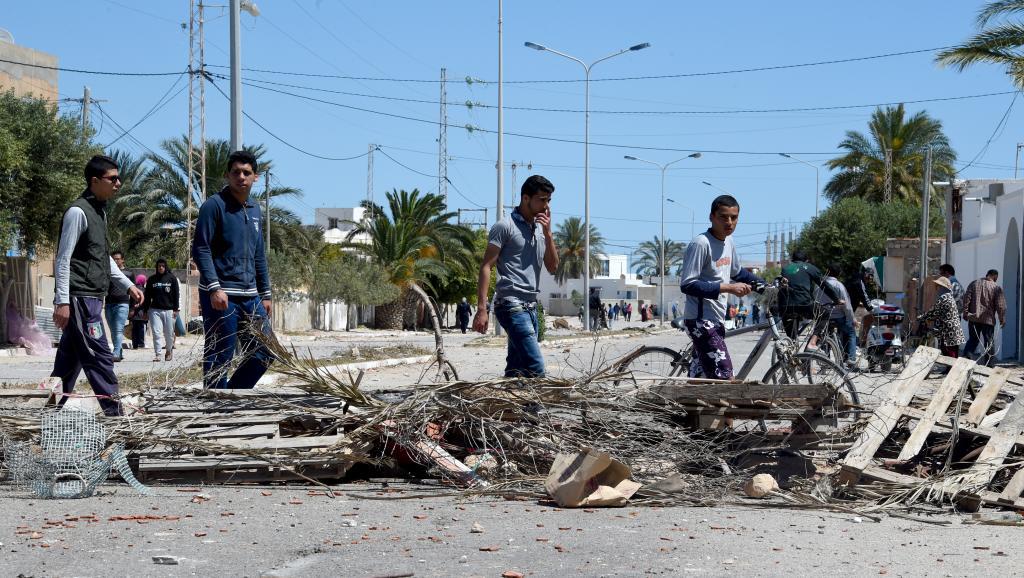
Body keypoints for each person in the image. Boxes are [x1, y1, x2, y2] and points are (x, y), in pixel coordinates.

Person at [50, 155, 144, 416]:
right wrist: (62, 301)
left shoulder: (99, 212)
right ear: (94, 181)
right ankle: (116, 418)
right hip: (80, 299)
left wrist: (126, 285)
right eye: (112, 179)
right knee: (101, 359)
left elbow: (103, 258)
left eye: (118, 178)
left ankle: (46, 415)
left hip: (92, 298)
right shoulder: (78, 212)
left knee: (67, 365)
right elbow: (63, 259)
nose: (118, 183)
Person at [192, 150, 275, 389]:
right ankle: (215, 408)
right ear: (227, 175)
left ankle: (230, 397)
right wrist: (214, 288)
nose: (241, 177)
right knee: (220, 355)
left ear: (255, 177)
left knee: (265, 351)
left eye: (246, 172)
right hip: (222, 295)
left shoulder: (255, 209)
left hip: (251, 296)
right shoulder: (213, 206)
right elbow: (201, 249)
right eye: (236, 172)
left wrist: (266, 293)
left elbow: (258, 253)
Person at [472, 175, 558, 378]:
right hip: (510, 305)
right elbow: (486, 266)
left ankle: (507, 408)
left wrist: (548, 234)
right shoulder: (505, 226)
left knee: (517, 369)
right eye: (542, 199)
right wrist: (482, 309)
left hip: (530, 306)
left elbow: (553, 267)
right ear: (526, 198)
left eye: (549, 200)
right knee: (536, 368)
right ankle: (537, 409)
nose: (546, 206)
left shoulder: (539, 230)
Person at [679, 195, 764, 379]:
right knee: (724, 375)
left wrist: (764, 285)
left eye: (734, 217)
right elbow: (687, 284)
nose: (729, 222)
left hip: (716, 319)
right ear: (712, 217)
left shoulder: (729, 242)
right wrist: (728, 288)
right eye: (723, 217)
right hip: (701, 320)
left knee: (702, 376)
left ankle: (688, 405)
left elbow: (738, 273)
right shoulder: (701, 243)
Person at [779, 250, 842, 344]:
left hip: (785, 307)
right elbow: (824, 285)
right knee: (824, 314)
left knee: (791, 339)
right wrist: (836, 299)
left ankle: (789, 352)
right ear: (807, 260)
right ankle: (812, 342)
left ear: (792, 260)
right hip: (804, 304)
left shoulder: (785, 268)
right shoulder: (810, 268)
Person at [961, 269, 1006, 366]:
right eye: (996, 278)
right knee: (988, 342)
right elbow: (1000, 305)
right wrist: (1002, 319)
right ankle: (989, 365)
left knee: (973, 340)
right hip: (988, 320)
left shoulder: (973, 284)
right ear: (995, 276)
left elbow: (966, 299)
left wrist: (965, 313)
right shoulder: (996, 287)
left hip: (973, 318)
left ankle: (964, 361)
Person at [817, 263, 858, 369]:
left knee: (824, 335)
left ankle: (825, 360)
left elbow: (815, 300)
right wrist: (852, 319)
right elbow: (847, 306)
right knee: (851, 333)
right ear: (838, 274)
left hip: (823, 317)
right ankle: (851, 359)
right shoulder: (839, 285)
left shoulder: (819, 285)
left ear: (827, 271)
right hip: (839, 317)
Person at [920, 276, 966, 359]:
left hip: (948, 330)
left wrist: (922, 317)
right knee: (952, 350)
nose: (936, 288)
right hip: (953, 329)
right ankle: (950, 369)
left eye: (938, 286)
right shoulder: (949, 296)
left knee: (948, 350)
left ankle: (950, 369)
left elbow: (934, 311)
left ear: (942, 287)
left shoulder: (944, 297)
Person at [144, 258, 180, 362]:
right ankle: (158, 354)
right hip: (155, 310)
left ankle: (168, 351)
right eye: (159, 266)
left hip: (169, 310)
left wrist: (176, 309)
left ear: (165, 267)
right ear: (156, 267)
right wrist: (145, 310)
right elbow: (147, 296)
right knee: (156, 332)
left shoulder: (172, 278)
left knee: (169, 333)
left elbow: (176, 295)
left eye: (163, 266)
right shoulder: (151, 279)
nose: (161, 268)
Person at [104, 250, 131, 362]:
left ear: (122, 260)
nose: (115, 260)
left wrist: (133, 308)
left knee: (118, 329)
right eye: (113, 259)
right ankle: (119, 351)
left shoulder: (129, 274)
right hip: (109, 304)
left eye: (118, 259)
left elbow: (133, 290)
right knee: (113, 330)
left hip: (122, 304)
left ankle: (115, 353)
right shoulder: (107, 273)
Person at [129, 274, 148, 351]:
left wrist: (131, 310)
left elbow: (130, 302)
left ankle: (135, 344)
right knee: (141, 328)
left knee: (134, 329)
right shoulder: (145, 290)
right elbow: (146, 302)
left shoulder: (133, 290)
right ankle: (141, 343)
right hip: (142, 313)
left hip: (134, 313)